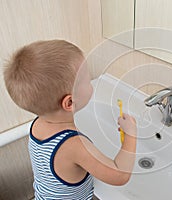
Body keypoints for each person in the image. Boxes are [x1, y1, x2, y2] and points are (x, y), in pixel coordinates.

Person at [3, 40, 137, 199]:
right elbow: (119, 175)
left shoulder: (38, 124)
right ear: (69, 102)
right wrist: (130, 134)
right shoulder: (74, 145)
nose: (91, 80)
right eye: (87, 79)